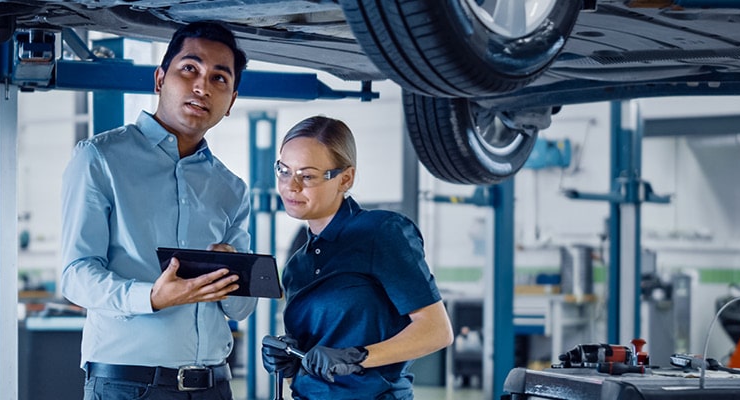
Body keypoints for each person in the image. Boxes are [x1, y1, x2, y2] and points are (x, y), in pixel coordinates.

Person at [59, 21, 255, 399]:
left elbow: (241, 309)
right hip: (129, 386)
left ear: (230, 102)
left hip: (214, 387)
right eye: (190, 69)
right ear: (160, 79)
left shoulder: (231, 188)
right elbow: (75, 275)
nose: (202, 86)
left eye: (219, 79)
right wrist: (150, 297)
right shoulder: (100, 159)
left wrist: (231, 281)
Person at [261, 116, 454, 399]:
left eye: (308, 175)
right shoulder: (297, 267)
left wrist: (357, 357)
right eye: (284, 171)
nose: (292, 186)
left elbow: (436, 330)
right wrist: (290, 360)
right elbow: (316, 358)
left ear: (345, 178)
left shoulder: (381, 232)